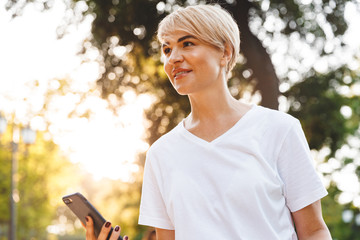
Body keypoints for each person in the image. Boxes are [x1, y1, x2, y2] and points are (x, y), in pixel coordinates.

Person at [86, 4, 331, 240]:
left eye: (187, 44)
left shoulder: (279, 129)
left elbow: (313, 232)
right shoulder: (161, 154)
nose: (173, 58)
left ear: (225, 52)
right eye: (167, 49)